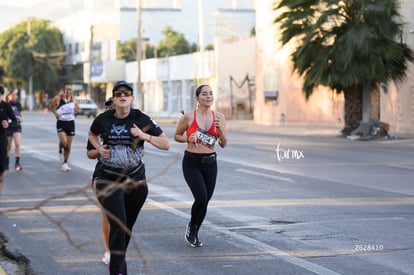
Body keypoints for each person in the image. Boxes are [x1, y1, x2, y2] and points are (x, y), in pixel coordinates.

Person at [88, 81, 169, 275]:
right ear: (114, 99)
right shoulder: (103, 119)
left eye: (126, 93)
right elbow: (91, 139)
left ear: (132, 98)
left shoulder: (141, 118)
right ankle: (118, 269)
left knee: (125, 230)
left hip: (136, 182)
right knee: (119, 225)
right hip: (107, 178)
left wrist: (144, 135)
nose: (122, 96)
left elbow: (166, 144)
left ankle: (115, 259)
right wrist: (98, 149)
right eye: (118, 94)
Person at [174, 84, 227, 247]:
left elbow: (223, 144)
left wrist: (220, 130)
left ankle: (194, 229)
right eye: (204, 94)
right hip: (192, 162)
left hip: (211, 163)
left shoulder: (219, 117)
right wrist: (188, 139)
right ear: (197, 98)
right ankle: (192, 227)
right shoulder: (189, 117)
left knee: (205, 200)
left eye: (211, 93)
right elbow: (176, 136)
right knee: (201, 197)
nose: (208, 96)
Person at [87, 97, 114, 265]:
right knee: (108, 213)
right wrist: (99, 150)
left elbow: (140, 152)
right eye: (110, 105)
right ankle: (109, 251)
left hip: (127, 176)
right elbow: (89, 153)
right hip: (103, 174)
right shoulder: (101, 124)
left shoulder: (132, 125)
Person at [49, 83, 80, 171]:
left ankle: (65, 163)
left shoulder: (74, 99)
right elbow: (51, 107)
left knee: (68, 145)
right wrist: (55, 114)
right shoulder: (58, 98)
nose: (68, 91)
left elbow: (78, 110)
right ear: (63, 90)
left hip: (70, 123)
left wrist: (76, 107)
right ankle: (60, 150)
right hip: (61, 122)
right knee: (64, 142)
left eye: (70, 89)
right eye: (67, 89)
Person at [0, 85, 17, 185]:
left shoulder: (6, 106)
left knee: (2, 166)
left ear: (1, 95)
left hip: (2, 137)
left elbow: (15, 121)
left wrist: (8, 124)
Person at [5, 89, 23, 171]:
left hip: (16, 126)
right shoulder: (5, 105)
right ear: (8, 96)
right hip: (8, 127)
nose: (14, 96)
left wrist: (21, 119)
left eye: (15, 95)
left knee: (18, 144)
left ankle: (17, 163)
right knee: (8, 146)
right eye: (12, 94)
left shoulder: (18, 104)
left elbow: (21, 115)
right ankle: (7, 163)